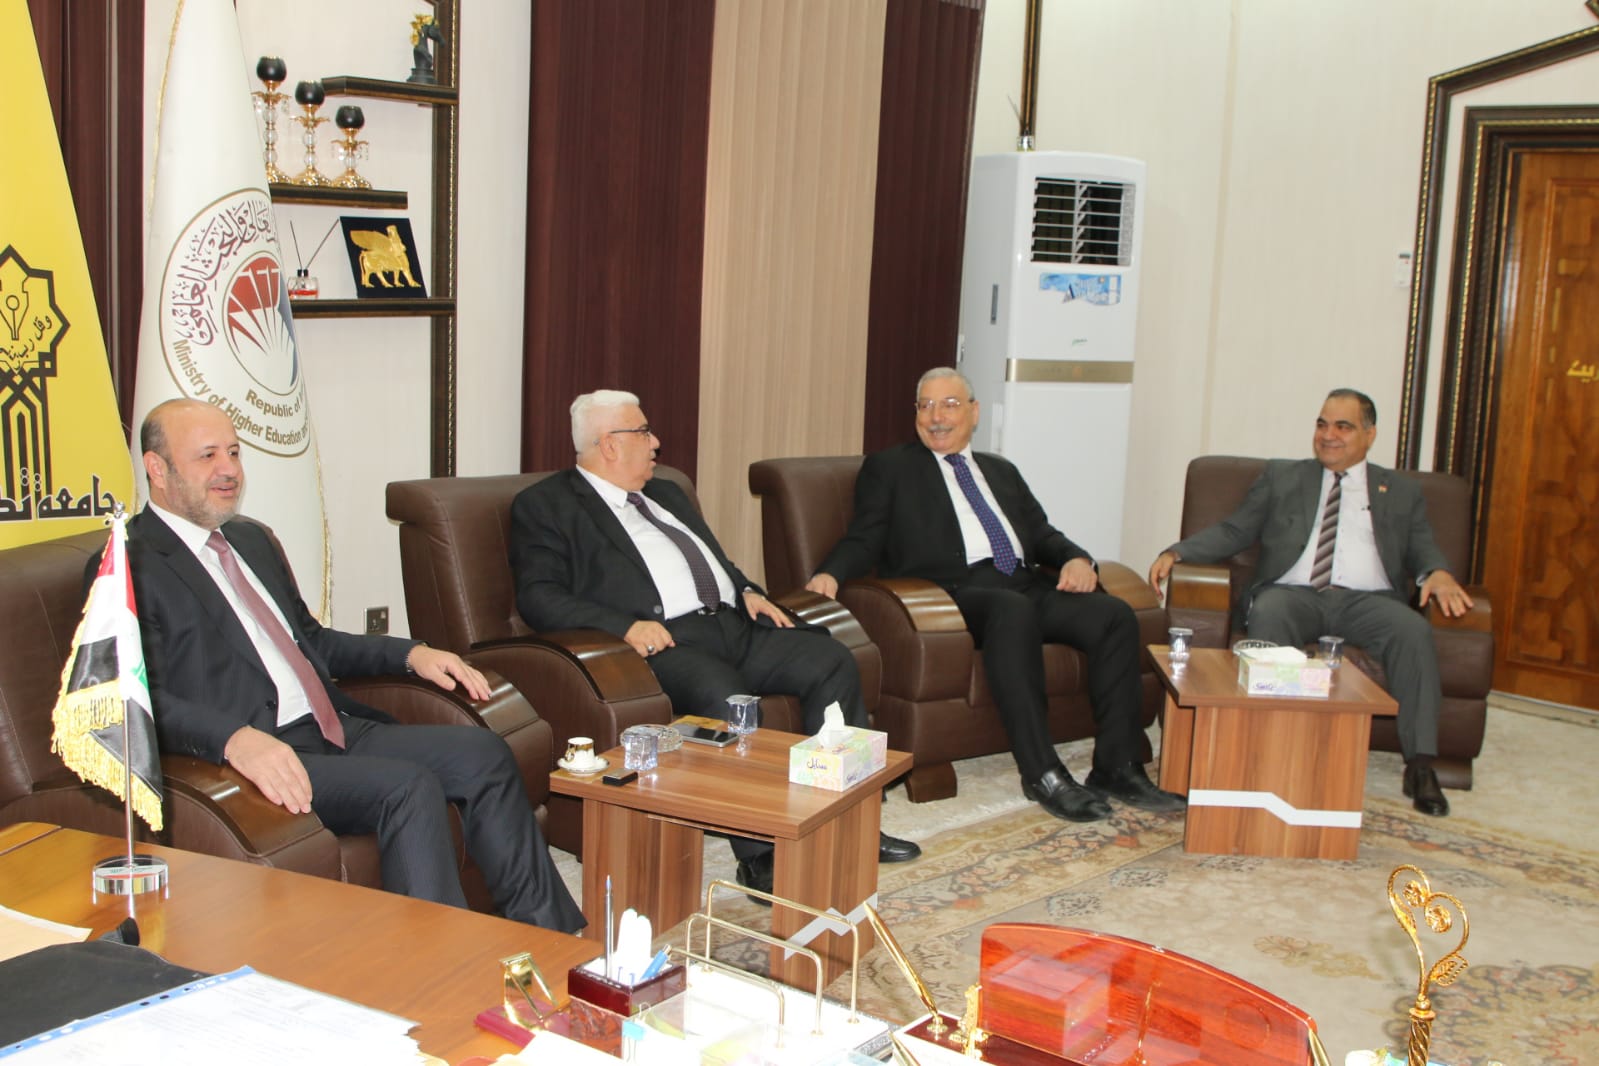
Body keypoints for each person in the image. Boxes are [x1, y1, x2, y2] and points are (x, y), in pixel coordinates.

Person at [108, 399, 583, 931]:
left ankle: (555, 936)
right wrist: (232, 740)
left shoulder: (248, 539)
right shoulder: (128, 563)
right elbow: (131, 695)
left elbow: (312, 640)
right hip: (264, 752)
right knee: (408, 787)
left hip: (332, 726)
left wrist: (411, 654)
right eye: (208, 456)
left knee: (483, 752)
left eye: (235, 453)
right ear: (157, 468)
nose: (229, 469)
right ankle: (440, 964)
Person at [509, 390, 921, 897]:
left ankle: (849, 823)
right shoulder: (547, 505)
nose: (656, 443)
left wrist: (747, 590)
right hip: (665, 642)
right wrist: (624, 626)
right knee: (727, 699)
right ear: (610, 444)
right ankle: (759, 854)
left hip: (733, 624)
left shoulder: (667, 492)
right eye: (644, 432)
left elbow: (712, 560)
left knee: (831, 660)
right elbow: (539, 596)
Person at [805, 368, 1184, 823]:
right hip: (952, 594)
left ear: (974, 412)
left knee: (1113, 615)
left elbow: (1041, 533)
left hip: (1022, 584)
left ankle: (1118, 767)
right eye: (925, 405)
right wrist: (830, 573)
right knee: (1012, 609)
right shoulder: (891, 468)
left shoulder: (1001, 471)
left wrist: (1076, 558)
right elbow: (864, 536)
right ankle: (1042, 772)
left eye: (949, 404)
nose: (936, 416)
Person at [1147, 388, 1472, 817]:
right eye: (1322, 424)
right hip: (1293, 594)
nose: (1328, 435)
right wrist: (1178, 552)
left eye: (1343, 426)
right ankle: (1267, 747)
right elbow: (1235, 530)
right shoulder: (1283, 477)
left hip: (1367, 600)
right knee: (1269, 612)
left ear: (1369, 434)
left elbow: (1421, 545)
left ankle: (1421, 766)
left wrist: (1437, 572)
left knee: (1413, 630)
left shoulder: (1400, 491)